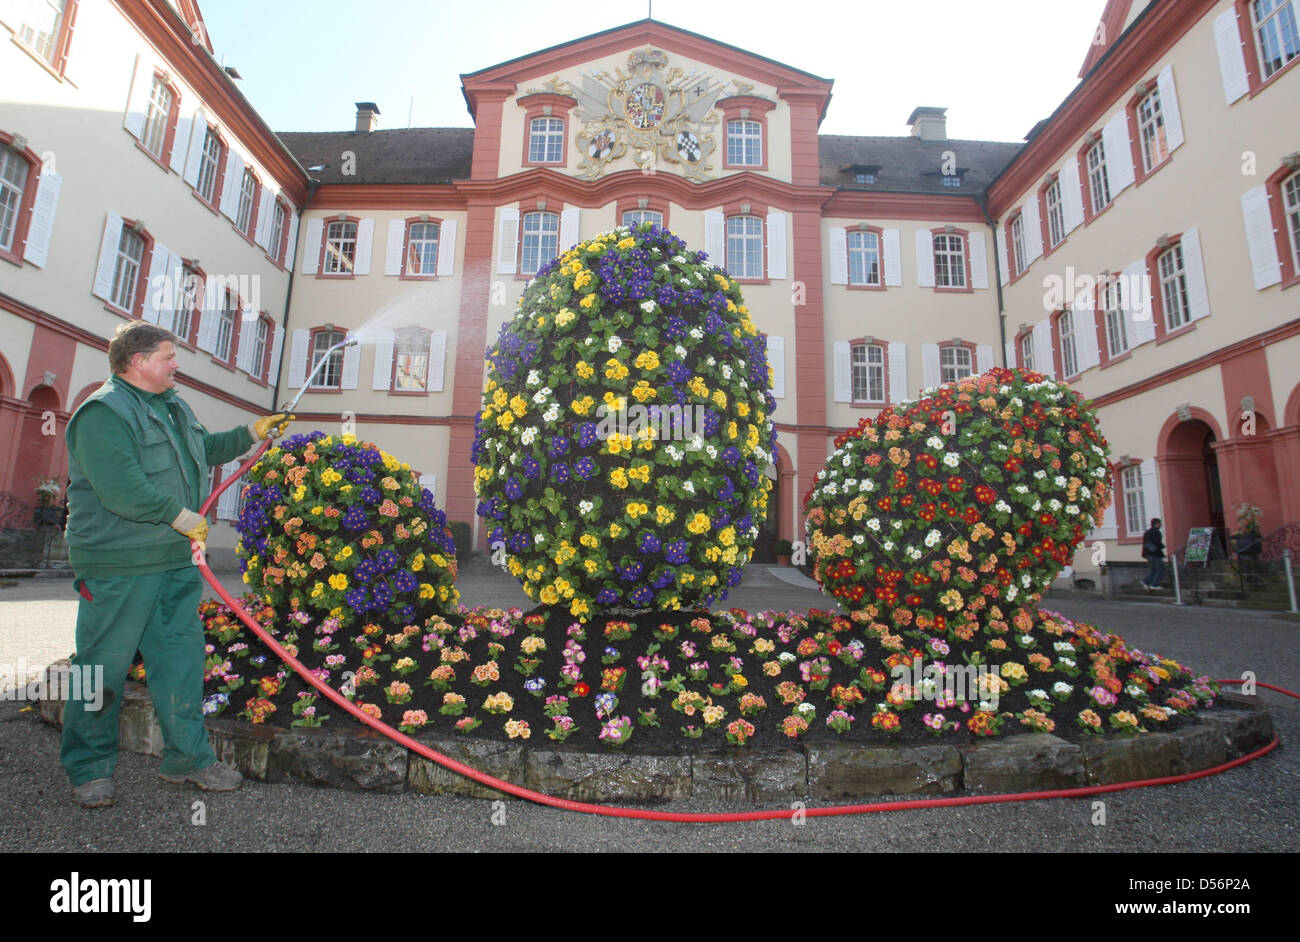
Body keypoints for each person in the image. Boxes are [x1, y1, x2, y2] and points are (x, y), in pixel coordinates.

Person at [60, 321, 291, 807]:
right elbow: (121, 489)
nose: (177, 364)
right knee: (99, 668)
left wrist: (252, 432)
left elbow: (203, 450)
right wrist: (181, 516)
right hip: (118, 565)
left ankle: (188, 759)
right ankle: (88, 768)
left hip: (173, 561)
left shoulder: (172, 407)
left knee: (181, 665)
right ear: (138, 361)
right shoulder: (102, 413)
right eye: (168, 356)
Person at [1141, 517, 1166, 591]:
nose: (1161, 525)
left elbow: (1147, 543)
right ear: (1157, 524)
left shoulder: (1147, 532)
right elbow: (1157, 542)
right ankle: (1155, 584)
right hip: (1154, 554)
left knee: (1154, 568)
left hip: (1147, 554)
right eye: (1160, 523)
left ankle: (1146, 581)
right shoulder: (1156, 532)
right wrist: (1162, 546)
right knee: (1161, 568)